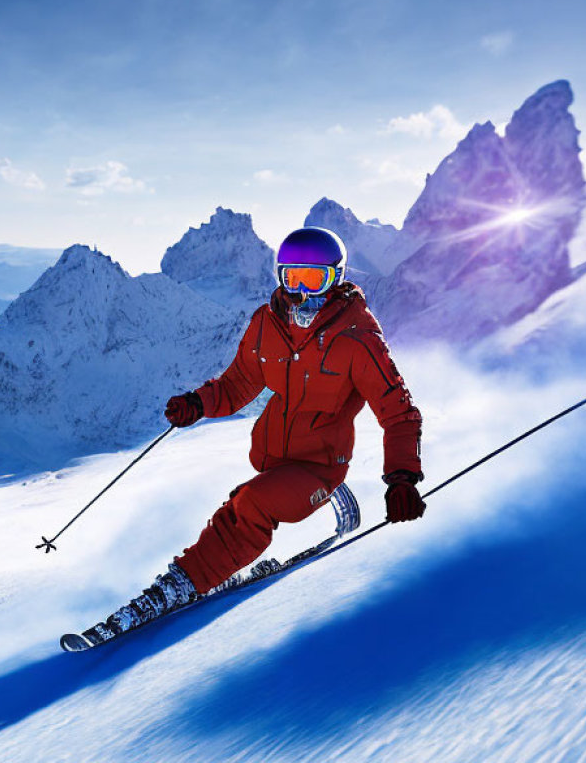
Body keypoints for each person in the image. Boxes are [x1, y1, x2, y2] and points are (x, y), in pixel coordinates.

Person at [95, 226, 425, 639]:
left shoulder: (357, 339)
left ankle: (180, 583)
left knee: (251, 507)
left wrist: (402, 478)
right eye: (293, 278)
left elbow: (400, 414)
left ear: (336, 279)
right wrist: (198, 403)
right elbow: (238, 384)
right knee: (243, 499)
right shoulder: (269, 324)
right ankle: (207, 566)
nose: (302, 292)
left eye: (314, 279)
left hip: (320, 465)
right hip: (271, 456)